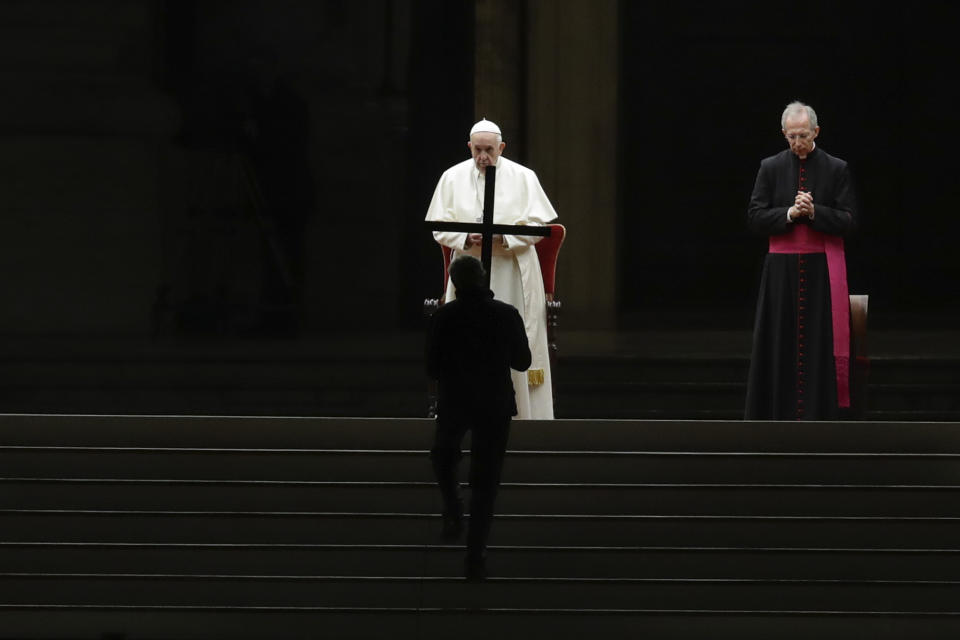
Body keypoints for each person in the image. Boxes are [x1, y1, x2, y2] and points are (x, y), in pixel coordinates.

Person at [425, 119, 557, 419]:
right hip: (468, 269)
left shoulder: (524, 177)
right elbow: (437, 227)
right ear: (469, 146)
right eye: (478, 150)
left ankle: (521, 415)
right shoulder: (452, 177)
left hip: (511, 269)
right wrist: (464, 237)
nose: (483, 157)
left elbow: (540, 228)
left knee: (509, 333)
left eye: (490, 150)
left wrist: (505, 236)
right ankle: (462, 410)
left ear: (502, 148)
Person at [745, 101, 858, 420]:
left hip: (822, 272)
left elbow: (850, 220)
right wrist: (790, 214)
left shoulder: (837, 168)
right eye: (791, 136)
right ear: (784, 133)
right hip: (780, 273)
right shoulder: (770, 167)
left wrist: (815, 212)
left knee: (819, 347)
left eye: (804, 135)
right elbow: (754, 217)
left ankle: (821, 415)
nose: (797, 142)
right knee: (779, 343)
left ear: (816, 132)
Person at [426, 255, 531, 581]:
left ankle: (454, 507)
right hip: (494, 403)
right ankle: (476, 554)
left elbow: (431, 367)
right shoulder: (505, 314)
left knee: (443, 454)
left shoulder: (445, 317)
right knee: (486, 483)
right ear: (483, 277)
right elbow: (523, 361)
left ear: (455, 282)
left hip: (457, 399)